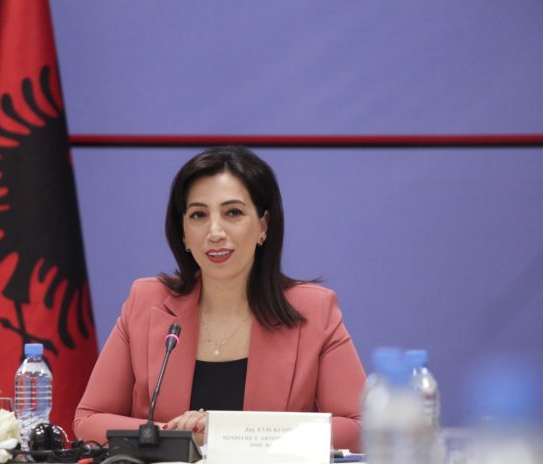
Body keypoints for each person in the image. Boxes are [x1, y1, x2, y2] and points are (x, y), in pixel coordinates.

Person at [74, 146, 366, 451]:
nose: (214, 232)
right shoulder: (146, 302)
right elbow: (89, 419)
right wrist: (180, 436)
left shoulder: (314, 310)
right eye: (198, 215)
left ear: (263, 225)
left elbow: (359, 427)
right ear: (183, 233)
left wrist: (224, 433)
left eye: (233, 213)